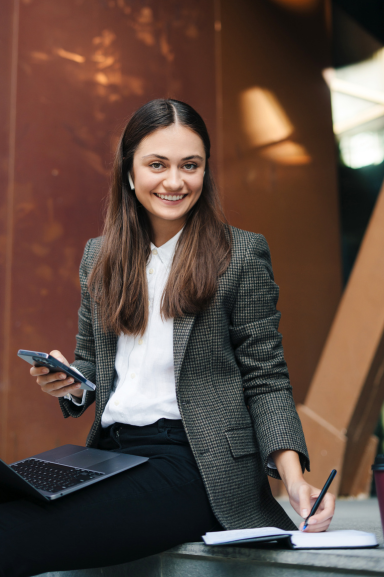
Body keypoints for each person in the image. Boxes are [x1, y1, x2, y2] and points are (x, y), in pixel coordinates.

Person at [0, 99, 335, 577]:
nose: (175, 182)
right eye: (157, 164)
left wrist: (295, 479)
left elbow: (266, 378)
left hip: (196, 464)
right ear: (130, 173)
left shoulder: (239, 254)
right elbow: (92, 363)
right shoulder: (98, 258)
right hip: (108, 456)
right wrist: (75, 383)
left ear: (205, 171)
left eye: (190, 166)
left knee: (11, 536)